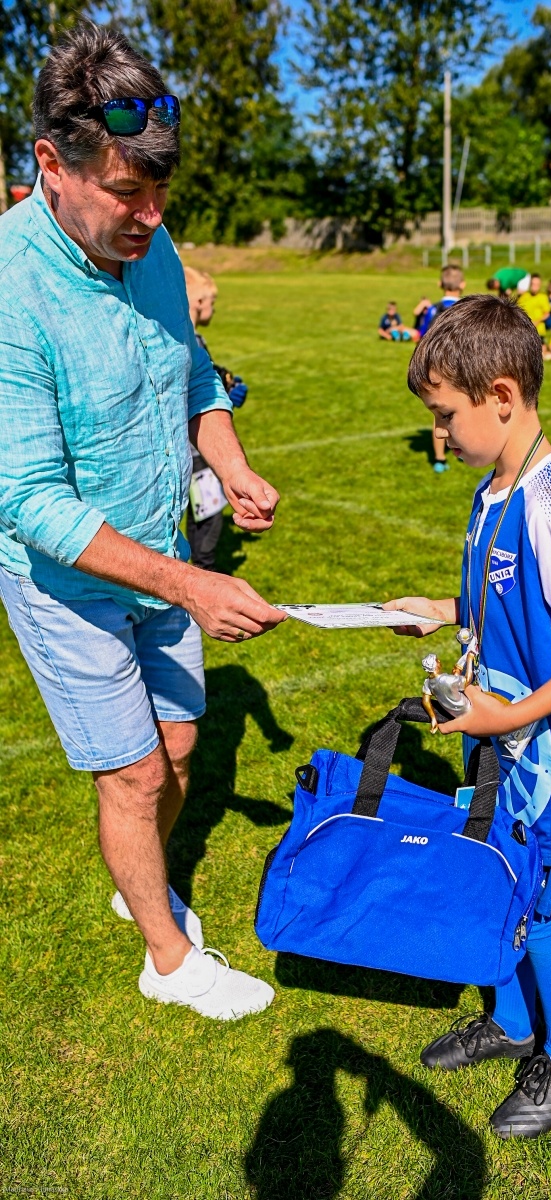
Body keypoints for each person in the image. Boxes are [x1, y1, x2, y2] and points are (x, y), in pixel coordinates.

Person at [0, 22, 285, 1020]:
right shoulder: (10, 294)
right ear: (51, 164)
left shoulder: (151, 242)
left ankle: (142, 883)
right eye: (127, 192)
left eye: (161, 190)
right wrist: (192, 582)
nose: (153, 217)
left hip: (162, 550)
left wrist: (231, 466)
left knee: (179, 749)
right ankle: (167, 959)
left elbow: (194, 374)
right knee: (129, 774)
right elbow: (30, 501)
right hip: (66, 583)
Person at [384, 295, 551, 1139]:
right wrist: (440, 610)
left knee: (539, 909)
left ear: (500, 396)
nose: (439, 433)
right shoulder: (495, 484)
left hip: (548, 756)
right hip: (500, 746)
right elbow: (504, 604)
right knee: (494, 880)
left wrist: (513, 714)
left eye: (445, 416)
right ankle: (509, 1021)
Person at [183, 265, 248, 572]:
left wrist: (224, 384)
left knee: (201, 514)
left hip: (193, 447)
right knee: (208, 517)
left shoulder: (191, 338)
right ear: (198, 302)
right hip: (196, 448)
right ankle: (204, 574)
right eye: (212, 301)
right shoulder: (189, 340)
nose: (214, 308)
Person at [418, 263, 465, 473]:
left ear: (440, 284)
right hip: (462, 370)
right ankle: (463, 449)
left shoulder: (433, 310)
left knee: (440, 416)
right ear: (462, 284)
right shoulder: (467, 310)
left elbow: (421, 337)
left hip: (435, 371)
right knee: (464, 410)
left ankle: (439, 458)